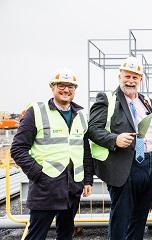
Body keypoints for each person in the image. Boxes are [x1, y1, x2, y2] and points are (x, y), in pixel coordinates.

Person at [87, 56, 152, 240]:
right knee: (121, 218)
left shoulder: (146, 100)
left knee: (140, 216)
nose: (131, 81)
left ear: (140, 79)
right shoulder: (106, 99)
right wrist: (114, 139)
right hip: (124, 165)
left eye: (135, 77)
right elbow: (92, 129)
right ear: (120, 76)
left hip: (149, 164)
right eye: (127, 76)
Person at [10, 69, 93, 240]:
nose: (66, 90)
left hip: (72, 187)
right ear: (52, 87)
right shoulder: (37, 112)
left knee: (65, 234)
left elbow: (84, 150)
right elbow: (18, 149)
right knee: (37, 235)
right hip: (45, 187)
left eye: (70, 86)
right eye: (61, 85)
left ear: (75, 90)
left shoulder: (81, 115)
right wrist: (38, 174)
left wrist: (87, 180)